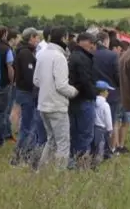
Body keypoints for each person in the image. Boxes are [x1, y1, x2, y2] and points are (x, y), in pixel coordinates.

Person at [34, 27, 78, 170]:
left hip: (43, 103)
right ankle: (59, 174)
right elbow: (61, 85)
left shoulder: (41, 54)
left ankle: (42, 170)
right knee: (63, 142)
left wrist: (47, 86)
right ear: (64, 38)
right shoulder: (60, 57)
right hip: (57, 105)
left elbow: (36, 80)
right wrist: (75, 92)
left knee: (51, 140)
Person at [11, 27, 40, 166]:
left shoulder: (22, 51)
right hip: (27, 93)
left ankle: (20, 155)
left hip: (22, 91)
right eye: (37, 38)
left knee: (26, 125)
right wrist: (36, 87)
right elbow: (30, 77)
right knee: (28, 125)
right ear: (31, 38)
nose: (38, 41)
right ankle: (23, 155)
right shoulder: (26, 53)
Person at [67, 32, 96, 166]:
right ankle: (82, 162)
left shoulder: (72, 55)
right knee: (85, 134)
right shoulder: (83, 58)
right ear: (82, 42)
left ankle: (72, 160)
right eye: (90, 42)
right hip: (84, 99)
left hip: (72, 100)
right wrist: (93, 95)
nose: (92, 45)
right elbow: (85, 80)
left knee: (74, 133)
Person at [92, 31, 120, 155]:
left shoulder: (91, 54)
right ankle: (107, 149)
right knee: (110, 122)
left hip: (93, 92)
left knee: (95, 121)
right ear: (105, 41)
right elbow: (117, 76)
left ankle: (95, 147)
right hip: (110, 93)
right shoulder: (112, 56)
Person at [92, 81, 115, 168]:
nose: (108, 93)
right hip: (101, 129)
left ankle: (90, 161)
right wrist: (110, 130)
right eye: (107, 91)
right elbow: (108, 119)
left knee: (93, 147)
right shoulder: (105, 105)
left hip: (93, 127)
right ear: (102, 92)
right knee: (100, 148)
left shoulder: (92, 102)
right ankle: (96, 165)